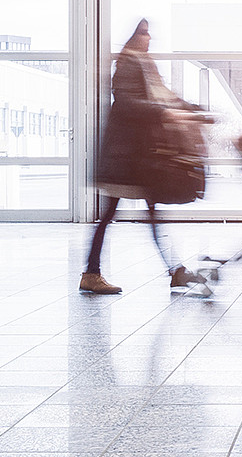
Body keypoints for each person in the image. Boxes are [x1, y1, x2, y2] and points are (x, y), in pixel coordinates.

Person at [79, 18, 209, 295]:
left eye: (149, 33)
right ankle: (91, 273)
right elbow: (128, 102)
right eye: (144, 33)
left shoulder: (146, 66)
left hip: (139, 157)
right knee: (111, 215)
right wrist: (165, 113)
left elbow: (166, 98)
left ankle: (174, 271)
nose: (148, 38)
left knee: (148, 214)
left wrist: (194, 110)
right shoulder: (127, 65)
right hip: (125, 158)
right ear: (134, 36)